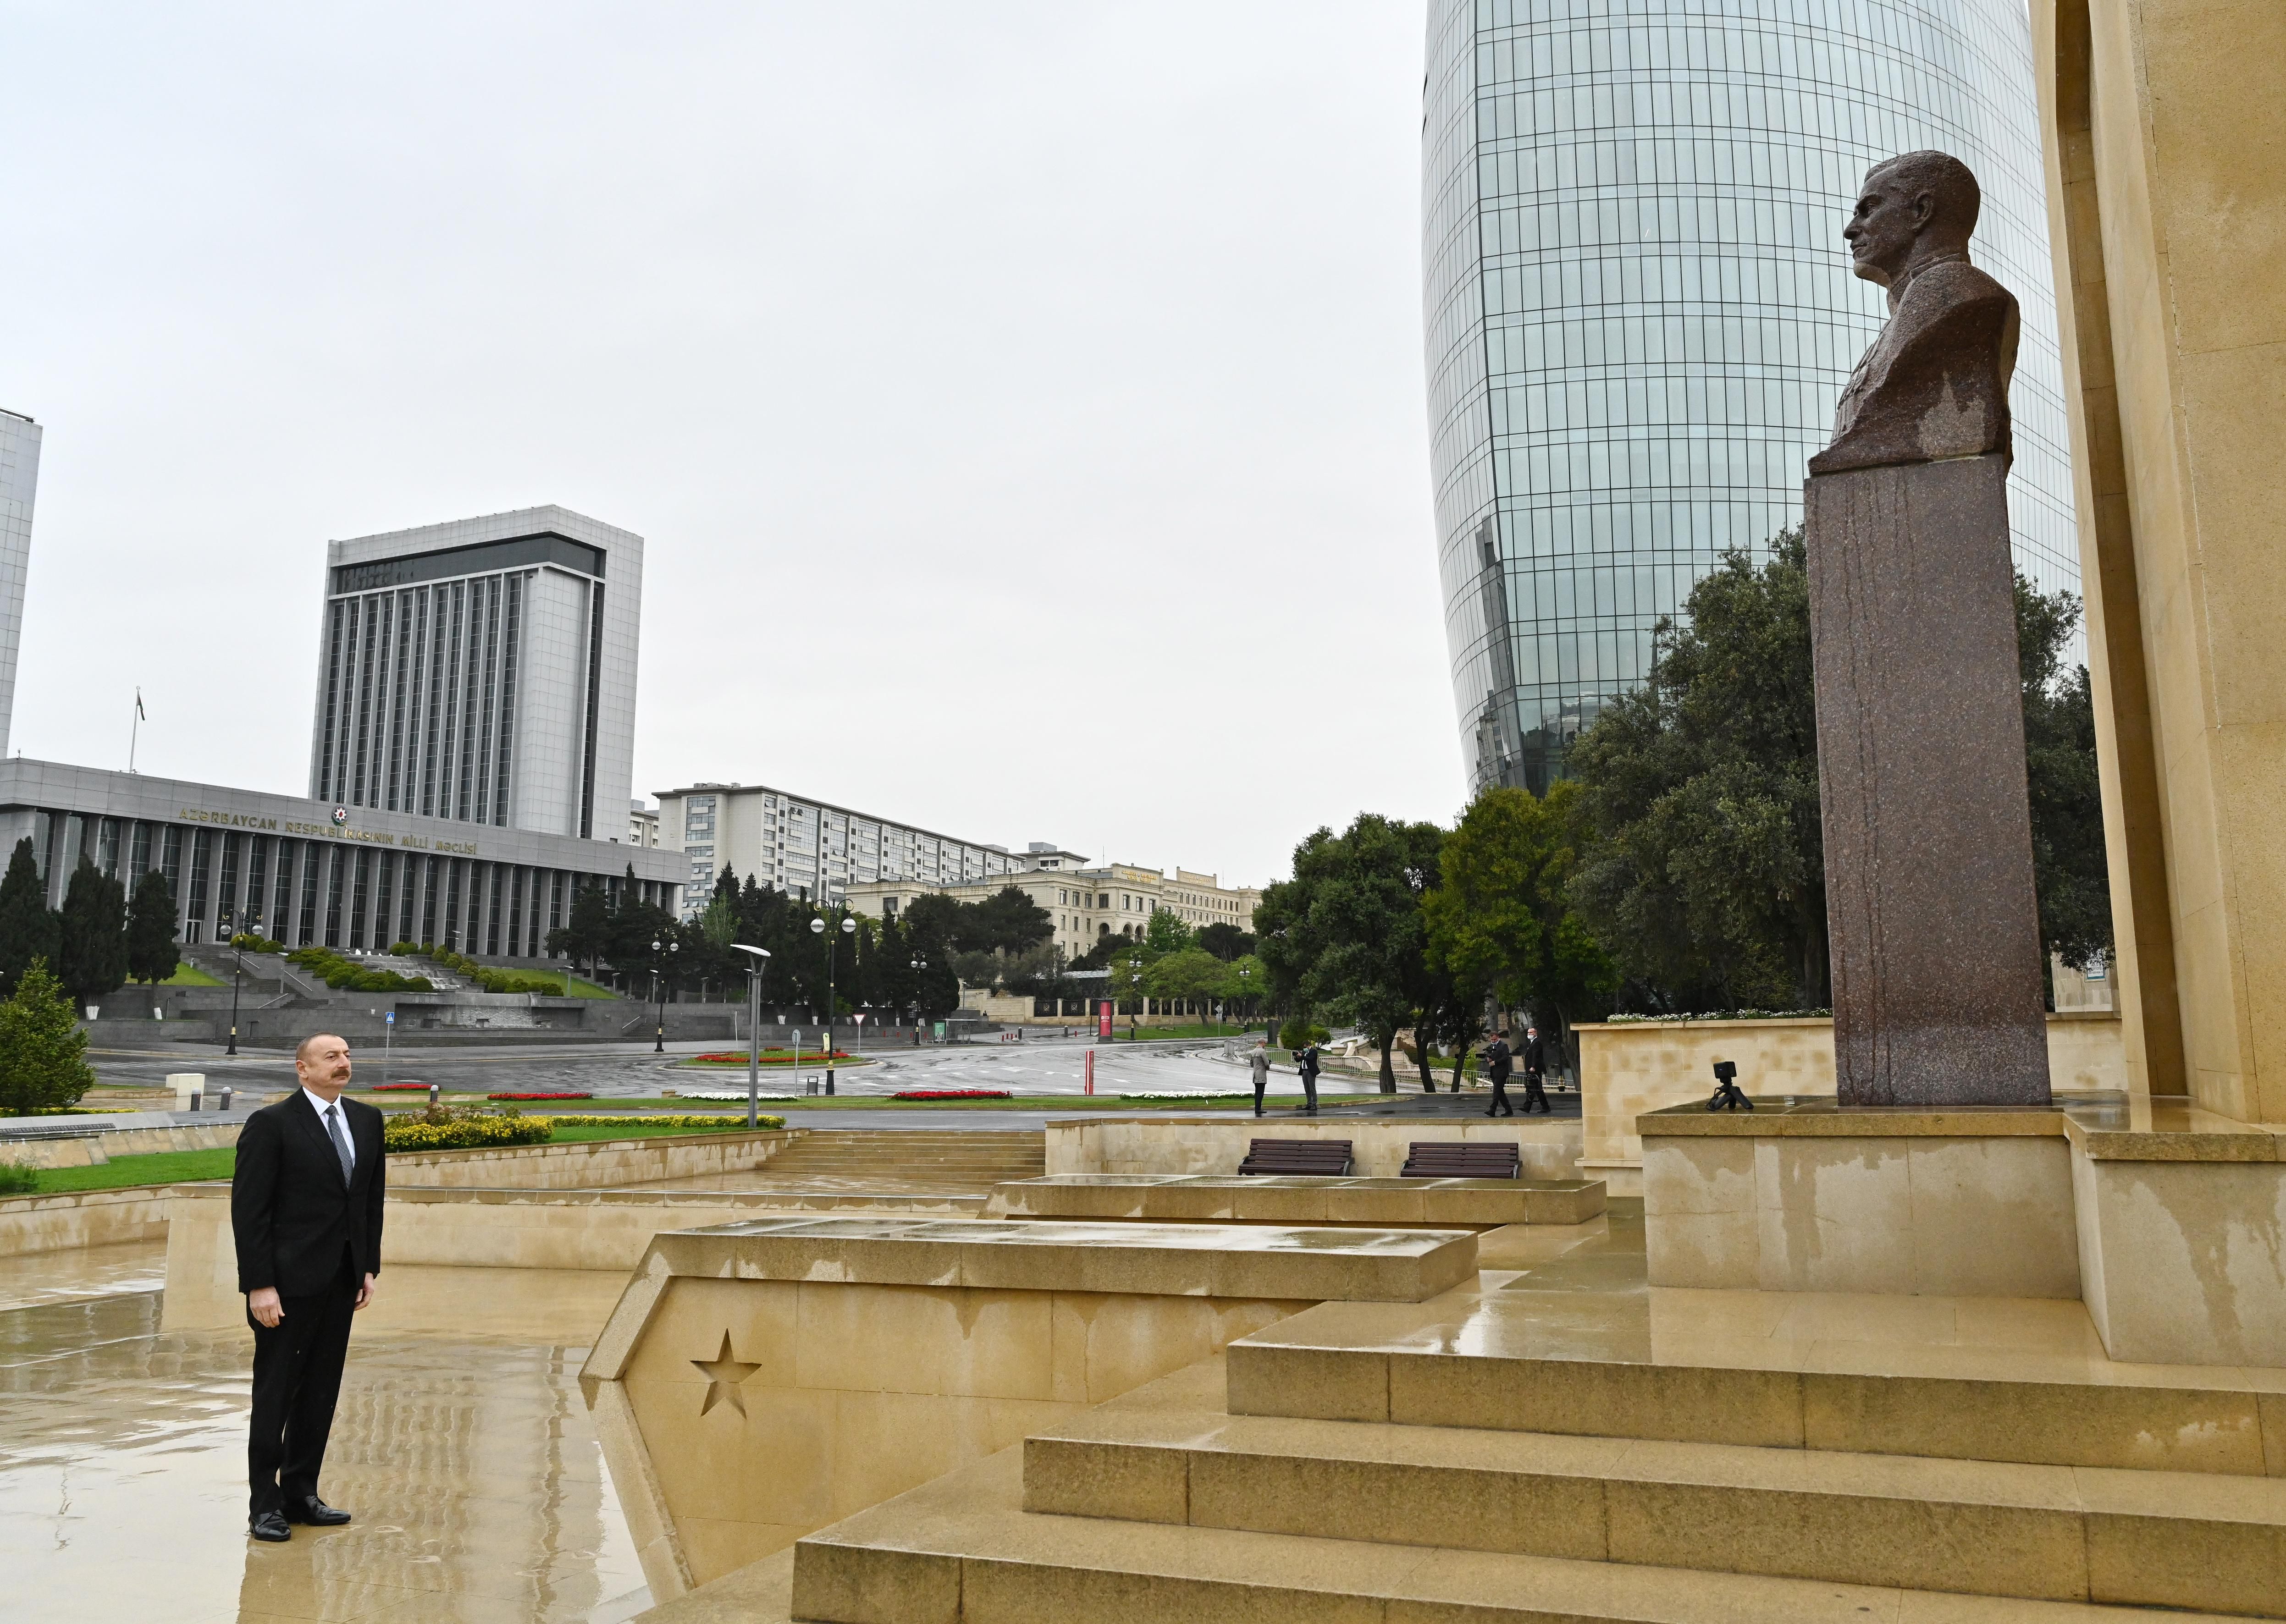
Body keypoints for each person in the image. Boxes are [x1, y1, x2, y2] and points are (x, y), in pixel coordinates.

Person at [232, 1033, 385, 1543]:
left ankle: (302, 1494)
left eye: (345, 1056)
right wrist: (259, 1285)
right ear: (302, 1068)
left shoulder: (366, 1120)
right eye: (331, 1057)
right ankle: (265, 1505)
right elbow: (250, 1212)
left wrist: (367, 1267)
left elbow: (368, 1203)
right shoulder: (271, 1125)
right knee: (276, 1394)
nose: (344, 1064)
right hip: (286, 1286)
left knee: (320, 1393)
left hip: (341, 1279)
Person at [1520, 1024, 1552, 1115]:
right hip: (1532, 1069)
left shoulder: (1537, 1043)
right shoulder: (1532, 1043)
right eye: (1528, 1032)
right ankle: (1545, 1106)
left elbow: (1536, 1056)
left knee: (1533, 1088)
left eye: (1531, 1033)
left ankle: (1527, 1107)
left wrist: (1533, 1066)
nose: (1529, 1034)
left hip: (1535, 1069)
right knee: (1537, 1089)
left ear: (1535, 1033)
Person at [1482, 1029, 1513, 1118]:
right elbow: (1487, 1056)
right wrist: (1487, 1060)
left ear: (1498, 1038)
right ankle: (1509, 1110)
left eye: (1495, 1040)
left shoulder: (1503, 1046)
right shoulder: (1491, 1047)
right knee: (1500, 1093)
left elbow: (1505, 1058)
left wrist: (1495, 1062)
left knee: (1496, 1092)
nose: (1493, 1042)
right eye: (1492, 1040)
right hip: (1494, 1073)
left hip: (1501, 1073)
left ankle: (1492, 1110)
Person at [1294, 1038, 1320, 1116]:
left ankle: (1314, 1104)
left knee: (1312, 1088)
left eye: (1305, 1047)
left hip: (1311, 1072)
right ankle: (1309, 1104)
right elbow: (1299, 1060)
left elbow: (1310, 1059)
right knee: (1307, 1089)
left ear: (1309, 1046)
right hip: (1304, 1072)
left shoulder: (1313, 1052)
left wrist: (1302, 1056)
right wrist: (1297, 1056)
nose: (1304, 1048)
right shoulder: (1304, 1052)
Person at [1249, 1040, 1272, 1117]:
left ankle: (1257, 1107)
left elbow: (1251, 1064)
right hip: (1261, 1074)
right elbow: (1266, 1063)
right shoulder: (1262, 1052)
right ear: (1262, 1043)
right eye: (1265, 1044)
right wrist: (1268, 1066)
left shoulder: (1253, 1052)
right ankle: (1258, 1108)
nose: (1265, 1045)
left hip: (1255, 1074)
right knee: (1261, 1093)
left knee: (1257, 1092)